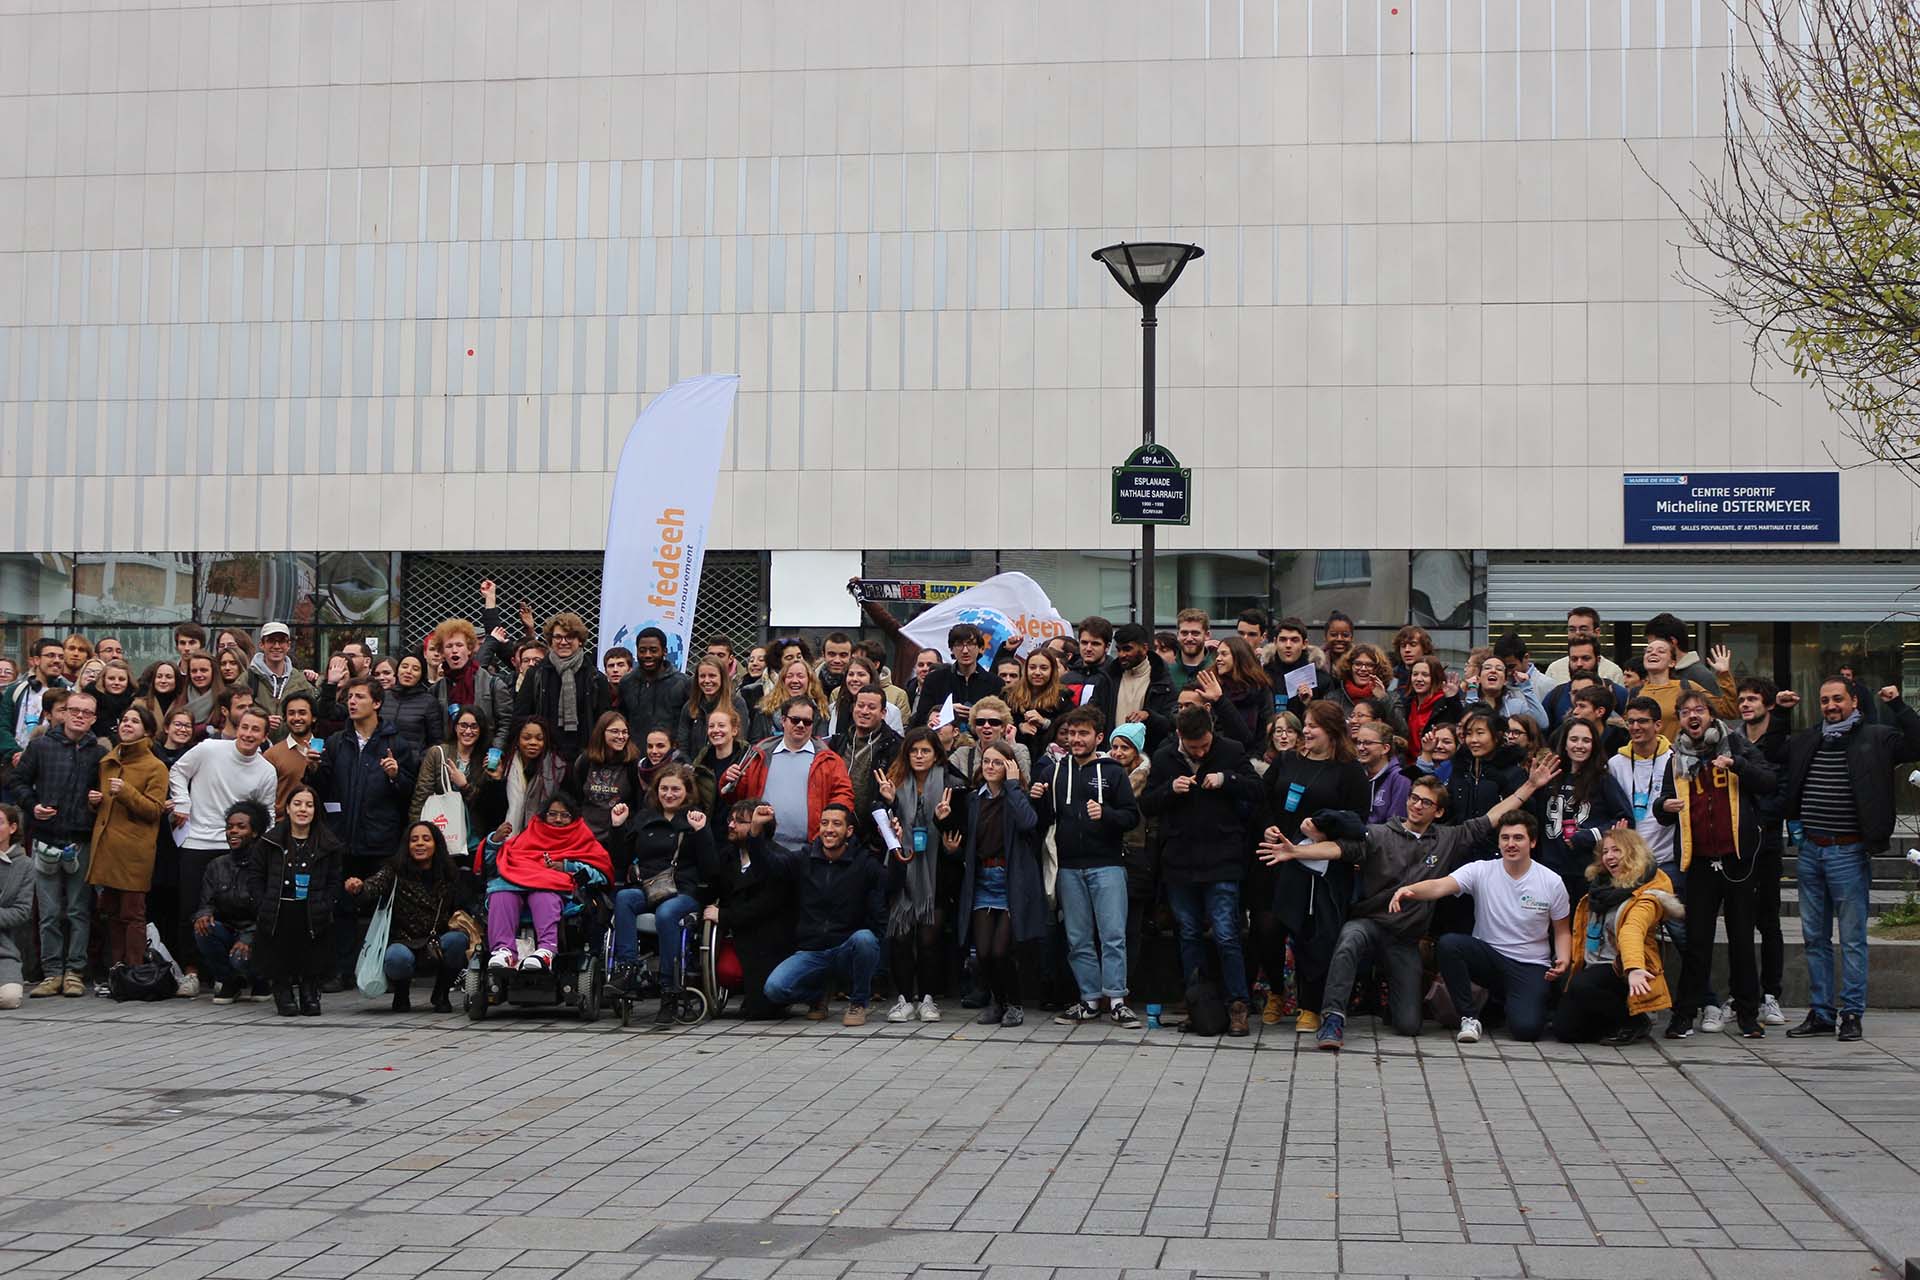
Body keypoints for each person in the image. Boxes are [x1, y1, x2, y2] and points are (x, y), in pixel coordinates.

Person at [1259, 754, 1557, 1050]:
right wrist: (1296, 852)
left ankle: (1392, 1003)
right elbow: (1338, 849)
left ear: (1438, 812)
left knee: (1409, 1025)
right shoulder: (1379, 834)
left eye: (1425, 802)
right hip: (1370, 923)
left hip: (1404, 939)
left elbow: (1492, 817)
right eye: (1414, 798)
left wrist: (1530, 786)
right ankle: (1333, 1018)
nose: (1416, 805)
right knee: (1349, 937)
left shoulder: (1448, 839)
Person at [1781, 678, 1920, 1041]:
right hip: (1810, 850)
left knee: (1853, 938)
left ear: (1854, 701)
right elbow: (1773, 754)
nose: (1831, 705)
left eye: (1838, 699)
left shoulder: (1877, 737)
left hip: (1849, 851)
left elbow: (1918, 743)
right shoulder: (1808, 739)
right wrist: (1781, 713)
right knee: (1814, 937)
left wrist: (1898, 705)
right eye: (1825, 700)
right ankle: (1822, 1013)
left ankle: (1852, 1014)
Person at [1654, 689, 1779, 1040]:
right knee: (1697, 943)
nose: (1693, 716)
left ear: (1710, 714)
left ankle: (1748, 1014)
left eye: (1700, 710)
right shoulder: (1674, 756)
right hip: (1698, 862)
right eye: (1685, 712)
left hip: (1737, 860)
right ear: (1679, 719)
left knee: (1741, 939)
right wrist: (1664, 807)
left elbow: (1769, 782)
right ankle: (1684, 1015)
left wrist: (1737, 766)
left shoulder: (1735, 744)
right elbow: (1661, 808)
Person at [1389, 811, 1571, 1044]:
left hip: (1530, 965)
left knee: (1526, 1030)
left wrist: (1563, 958)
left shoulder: (1551, 881)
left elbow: (1563, 930)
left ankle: (1513, 1004)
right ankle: (1469, 1017)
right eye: (1505, 838)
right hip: (1488, 958)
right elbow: (1439, 886)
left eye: (1518, 838)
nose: (1511, 844)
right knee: (1449, 944)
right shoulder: (1481, 870)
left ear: (1532, 842)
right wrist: (1409, 891)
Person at [1141, 705, 1264, 1037]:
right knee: (1188, 934)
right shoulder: (1166, 757)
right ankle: (1196, 1002)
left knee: (1226, 934)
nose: (1201, 752)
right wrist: (1170, 790)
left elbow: (1257, 790)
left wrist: (1228, 779)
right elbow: (1147, 803)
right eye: (1194, 748)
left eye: (1205, 746)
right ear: (1180, 737)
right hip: (1180, 860)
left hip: (1223, 857)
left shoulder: (1231, 751)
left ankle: (1238, 1005)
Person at [1256, 701, 1369, 1034]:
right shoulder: (1288, 760)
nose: (1305, 731)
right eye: (1305, 724)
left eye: (1313, 726)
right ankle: (1276, 992)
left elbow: (1358, 822)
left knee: (1312, 935)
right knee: (1267, 927)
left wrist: (1323, 830)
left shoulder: (1349, 770)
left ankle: (1311, 1004)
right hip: (1275, 856)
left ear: (1332, 732)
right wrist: (1267, 825)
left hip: (1319, 867)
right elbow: (1262, 800)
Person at [1030, 706, 1142, 1029]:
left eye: (1083, 734)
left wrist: (1105, 814)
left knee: (1112, 935)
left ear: (1099, 737)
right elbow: (1042, 822)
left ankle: (1118, 1000)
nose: (1076, 740)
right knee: (1077, 937)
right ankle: (1089, 1000)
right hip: (1068, 866)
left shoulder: (1113, 772)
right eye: (1071, 733)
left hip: (1107, 864)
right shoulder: (1053, 771)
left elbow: (1131, 817)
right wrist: (1036, 797)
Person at [310, 677, 421, 991]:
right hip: (342, 837)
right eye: (349, 697)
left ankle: (383, 971)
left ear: (376, 703)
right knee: (341, 907)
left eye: (359, 696)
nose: (352, 702)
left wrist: (396, 776)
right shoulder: (335, 741)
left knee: (383, 908)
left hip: (380, 839)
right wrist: (314, 770)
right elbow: (323, 787)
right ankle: (342, 970)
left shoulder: (395, 742)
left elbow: (409, 792)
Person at [14, 688, 109, 997]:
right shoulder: (40, 746)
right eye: (75, 710)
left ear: (94, 718)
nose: (80, 716)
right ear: (64, 713)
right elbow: (17, 782)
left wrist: (99, 798)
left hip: (81, 841)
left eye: (87, 713)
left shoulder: (100, 753)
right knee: (50, 912)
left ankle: (75, 972)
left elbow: (106, 794)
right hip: (45, 839)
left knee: (79, 911)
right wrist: (32, 805)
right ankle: (52, 972)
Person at [1551, 828, 1682, 1045]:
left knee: (1582, 985)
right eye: (1605, 851)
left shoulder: (1647, 894)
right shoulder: (1600, 886)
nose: (1609, 856)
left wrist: (1634, 969)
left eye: (1616, 850)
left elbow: (1632, 929)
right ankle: (1615, 1023)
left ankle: (1635, 1020)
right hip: (1594, 965)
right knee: (1565, 1031)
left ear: (1632, 853)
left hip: (1623, 967)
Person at [762, 804, 886, 1026]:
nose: (829, 829)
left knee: (865, 939)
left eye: (837, 824)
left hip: (846, 949)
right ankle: (816, 996)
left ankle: (858, 1003)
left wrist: (895, 844)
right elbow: (771, 866)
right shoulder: (804, 857)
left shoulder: (863, 861)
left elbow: (891, 883)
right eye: (824, 823)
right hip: (811, 951)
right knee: (774, 989)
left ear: (848, 831)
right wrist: (755, 832)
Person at [608, 764, 711, 1026]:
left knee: (666, 914)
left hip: (682, 890)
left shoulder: (694, 819)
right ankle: (627, 970)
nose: (669, 793)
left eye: (675, 789)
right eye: (664, 788)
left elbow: (711, 867)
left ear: (687, 792)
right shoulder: (644, 818)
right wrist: (618, 827)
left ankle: (669, 989)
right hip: (649, 888)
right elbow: (619, 860)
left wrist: (702, 833)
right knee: (624, 899)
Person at [480, 792, 615, 974]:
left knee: (543, 891)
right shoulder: (529, 834)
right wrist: (494, 842)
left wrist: (568, 865)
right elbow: (496, 866)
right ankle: (503, 951)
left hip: (556, 889)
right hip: (517, 883)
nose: (558, 819)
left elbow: (600, 874)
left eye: (564, 815)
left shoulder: (582, 837)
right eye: (552, 814)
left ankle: (546, 951)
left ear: (573, 818)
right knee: (501, 892)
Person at [343, 821, 470, 1013]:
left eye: (426, 839)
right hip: (403, 942)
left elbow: (463, 905)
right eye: (414, 840)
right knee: (397, 958)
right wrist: (358, 888)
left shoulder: (449, 873)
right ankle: (401, 993)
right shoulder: (394, 871)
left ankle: (441, 994)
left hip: (435, 943)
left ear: (436, 844)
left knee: (458, 940)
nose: (420, 844)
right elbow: (372, 887)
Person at [86, 705, 172, 974]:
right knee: (109, 912)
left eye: (135, 721)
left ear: (146, 730)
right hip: (107, 848)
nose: (127, 724)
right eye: (124, 720)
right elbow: (107, 808)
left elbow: (155, 810)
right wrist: (95, 803)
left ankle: (135, 972)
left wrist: (126, 792)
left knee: (132, 913)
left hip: (134, 851)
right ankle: (115, 970)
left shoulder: (155, 767)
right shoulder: (108, 761)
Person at [877, 727, 954, 1021]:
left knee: (929, 939)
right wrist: (890, 803)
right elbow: (881, 825)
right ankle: (904, 999)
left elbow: (956, 833)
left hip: (936, 872)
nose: (919, 756)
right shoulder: (893, 783)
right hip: (901, 868)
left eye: (925, 751)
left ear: (936, 755)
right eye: (914, 751)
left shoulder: (949, 783)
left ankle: (929, 999)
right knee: (900, 936)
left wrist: (941, 821)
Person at [696, 800, 800, 1019]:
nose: (731, 826)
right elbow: (710, 882)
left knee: (763, 1010)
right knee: (727, 971)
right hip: (736, 937)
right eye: (730, 820)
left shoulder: (781, 859)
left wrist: (723, 916)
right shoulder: (728, 856)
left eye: (740, 822)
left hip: (768, 939)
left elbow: (767, 905)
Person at [248, 784, 344, 1017]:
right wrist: (262, 904)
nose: (303, 810)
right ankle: (283, 993)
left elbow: (334, 880)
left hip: (312, 908)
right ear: (287, 809)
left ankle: (310, 993)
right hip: (279, 907)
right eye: (297, 804)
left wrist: (326, 903)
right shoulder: (269, 842)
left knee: (312, 953)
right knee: (279, 953)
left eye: (309, 805)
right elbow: (256, 876)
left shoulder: (328, 844)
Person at [1736, 676, 1795, 1027]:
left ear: (1768, 705)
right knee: (1739, 921)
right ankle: (1742, 993)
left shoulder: (1783, 744)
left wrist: (1758, 819)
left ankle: (1771, 993)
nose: (1745, 704)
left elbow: (1783, 792)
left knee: (1768, 920)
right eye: (1742, 699)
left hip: (1767, 840)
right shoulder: (1732, 740)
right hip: (1735, 843)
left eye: (1753, 699)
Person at [1528, 717, 1633, 907]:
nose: (1580, 745)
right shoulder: (1550, 776)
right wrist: (1531, 786)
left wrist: (1588, 836)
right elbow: (1531, 817)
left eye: (1586, 740)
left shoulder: (1603, 780)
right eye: (1574, 739)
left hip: (1587, 871)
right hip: (1550, 869)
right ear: (1565, 743)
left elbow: (1624, 820)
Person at [734, 697, 855, 856]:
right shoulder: (759, 754)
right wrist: (730, 781)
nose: (800, 725)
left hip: (808, 851)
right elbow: (737, 796)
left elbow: (844, 797)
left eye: (807, 722)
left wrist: (828, 827)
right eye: (795, 720)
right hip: (762, 845)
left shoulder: (830, 760)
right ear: (783, 720)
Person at [192, 800, 268, 1004]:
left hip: (257, 933)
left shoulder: (266, 866)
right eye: (229, 827)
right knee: (203, 929)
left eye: (241, 827)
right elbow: (206, 902)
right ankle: (229, 981)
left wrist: (249, 938)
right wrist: (204, 915)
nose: (233, 831)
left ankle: (261, 981)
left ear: (255, 832)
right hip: (228, 930)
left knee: (240, 957)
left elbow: (270, 911)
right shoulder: (216, 866)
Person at [515, 613, 613, 761]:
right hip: (544, 756)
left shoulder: (596, 678)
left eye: (570, 637)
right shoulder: (536, 675)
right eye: (558, 637)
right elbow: (521, 715)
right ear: (550, 640)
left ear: (580, 641)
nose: (563, 642)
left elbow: (603, 721)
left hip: (584, 756)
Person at [432, 612, 515, 758]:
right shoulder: (437, 689)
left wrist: (495, 752)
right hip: (450, 758)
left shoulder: (493, 684)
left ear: (469, 649)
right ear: (442, 652)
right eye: (449, 646)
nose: (454, 650)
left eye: (459, 645)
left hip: (484, 757)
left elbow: (506, 723)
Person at [567, 712, 644, 846]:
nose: (621, 736)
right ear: (601, 732)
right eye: (615, 731)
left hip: (617, 838)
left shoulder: (632, 764)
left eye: (625, 732)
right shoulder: (585, 761)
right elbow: (575, 797)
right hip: (585, 836)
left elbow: (638, 803)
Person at [904, 624, 1001, 729]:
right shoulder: (935, 680)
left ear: (980, 648)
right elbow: (921, 719)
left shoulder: (995, 683)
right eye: (959, 645)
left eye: (970, 644)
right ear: (951, 649)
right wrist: (947, 711)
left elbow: (1001, 719)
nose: (965, 650)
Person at [1193, 637, 1272, 752]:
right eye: (1218, 655)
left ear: (1239, 657)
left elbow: (1254, 734)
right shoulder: (1209, 685)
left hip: (1250, 757)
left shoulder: (1260, 688)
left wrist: (1220, 699)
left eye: (1224, 654)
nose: (1218, 659)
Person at [0, 637, 69, 767]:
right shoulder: (16, 691)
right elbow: (3, 727)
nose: (57, 660)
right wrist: (16, 753)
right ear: (36, 660)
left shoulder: (70, 694)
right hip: (15, 763)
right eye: (50, 655)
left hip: (51, 764)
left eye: (61, 657)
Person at [241, 622, 319, 736]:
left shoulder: (301, 681)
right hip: (255, 747)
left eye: (281, 641)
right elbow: (235, 713)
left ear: (288, 645)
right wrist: (261, 720)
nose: (277, 646)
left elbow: (314, 717)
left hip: (291, 749)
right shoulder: (247, 678)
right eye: (271, 640)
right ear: (261, 645)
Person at [619, 626, 692, 741]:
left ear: (664, 651)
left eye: (653, 650)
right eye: (642, 651)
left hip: (670, 755)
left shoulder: (682, 683)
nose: (647, 655)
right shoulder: (626, 683)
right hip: (634, 753)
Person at [263, 692, 327, 816]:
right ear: (285, 718)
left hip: (320, 826)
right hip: (283, 826)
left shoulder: (327, 750)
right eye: (291, 713)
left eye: (302, 713)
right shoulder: (272, 755)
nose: (297, 718)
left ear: (313, 717)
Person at [677, 656, 751, 760]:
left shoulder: (737, 704)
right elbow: (682, 745)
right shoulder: (689, 706)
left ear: (722, 677)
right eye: (702, 676)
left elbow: (741, 740)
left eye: (712, 676)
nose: (707, 680)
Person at [1396, 656, 1461, 756]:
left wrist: (1453, 699)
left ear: (1435, 677)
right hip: (1408, 765)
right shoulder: (1407, 703)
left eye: (1425, 675)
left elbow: (1459, 725)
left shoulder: (1446, 703)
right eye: (1415, 674)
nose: (1418, 679)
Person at [1544, 607, 1626, 686]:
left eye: (1583, 629)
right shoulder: (1554, 670)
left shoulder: (1612, 672)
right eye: (1572, 629)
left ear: (1597, 632)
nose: (1577, 633)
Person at [0, 806, 31, 1010]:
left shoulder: (25, 865)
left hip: (4, 949)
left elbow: (22, 911)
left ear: (12, 828)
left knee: (9, 999)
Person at [1354, 721, 1410, 824]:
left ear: (1385, 748)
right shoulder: (1355, 773)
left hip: (1382, 837)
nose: (1361, 748)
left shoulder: (1400, 778)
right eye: (1359, 742)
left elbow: (1396, 823)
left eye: (1368, 743)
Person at [386, 653, 444, 753]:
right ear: (397, 671)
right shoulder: (384, 697)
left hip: (413, 765)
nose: (408, 671)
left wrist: (420, 760)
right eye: (404, 667)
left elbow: (436, 741)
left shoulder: (429, 702)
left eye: (415, 669)